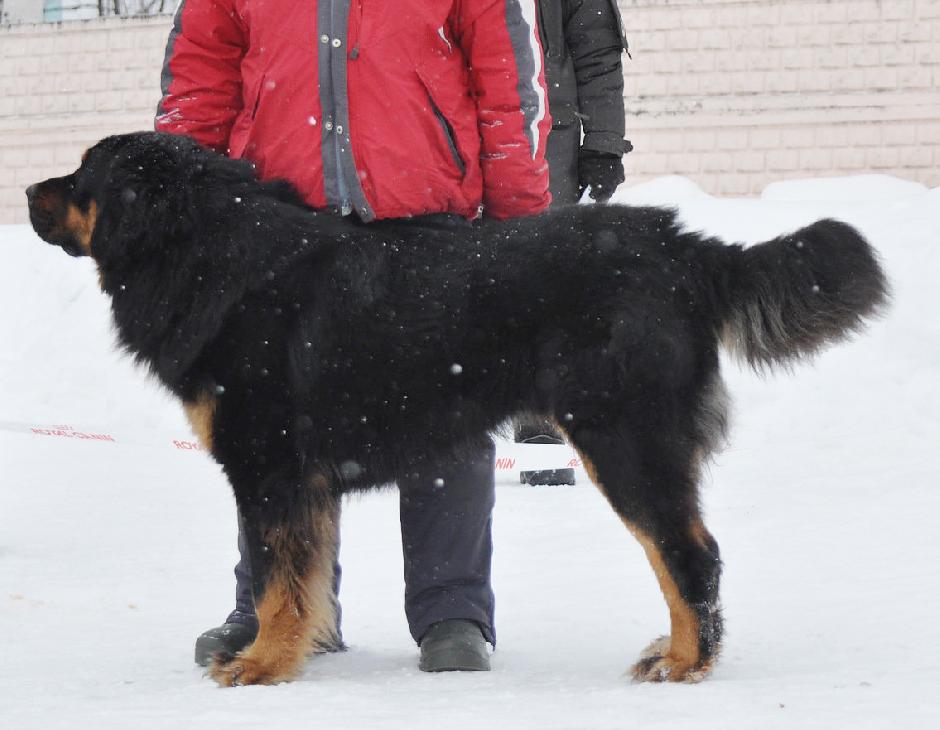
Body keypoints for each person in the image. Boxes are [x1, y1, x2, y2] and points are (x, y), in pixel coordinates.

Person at [155, 0, 551, 672]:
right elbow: (201, 78)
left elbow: (508, 78)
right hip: (280, 219)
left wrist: (518, 225)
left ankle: (451, 609)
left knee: (450, 412)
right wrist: (181, 207)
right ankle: (275, 608)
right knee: (268, 432)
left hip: (427, 211)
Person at [515, 0, 632, 486]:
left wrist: (603, 144)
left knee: (544, 294)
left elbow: (597, 52)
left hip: (549, 145)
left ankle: (541, 438)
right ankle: (456, 436)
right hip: (461, 137)